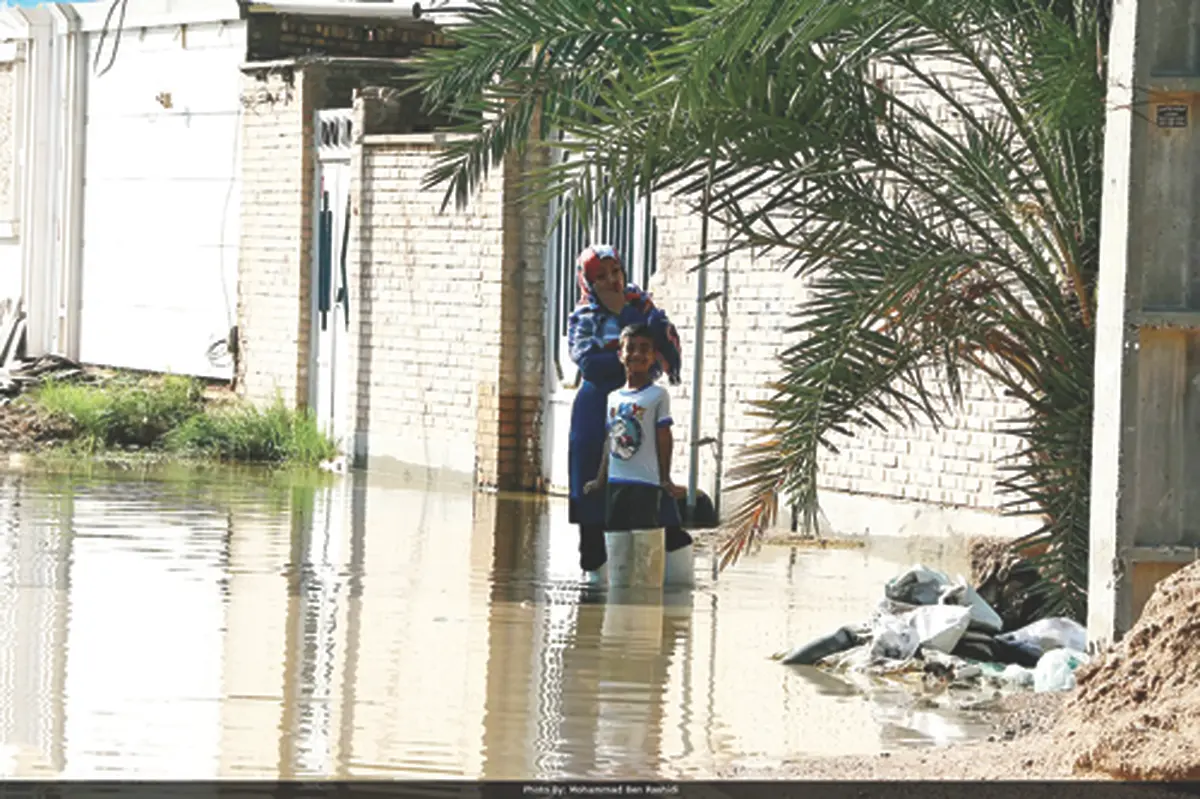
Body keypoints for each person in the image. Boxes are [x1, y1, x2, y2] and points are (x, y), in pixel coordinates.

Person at [567, 245, 694, 584]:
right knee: (593, 496)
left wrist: (624, 313)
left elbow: (664, 346)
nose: (611, 281)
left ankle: (675, 583)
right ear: (588, 283)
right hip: (595, 411)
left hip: (639, 406)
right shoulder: (583, 319)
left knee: (650, 487)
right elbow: (590, 364)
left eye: (616, 272)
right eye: (601, 277)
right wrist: (631, 352)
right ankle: (594, 589)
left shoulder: (643, 306)